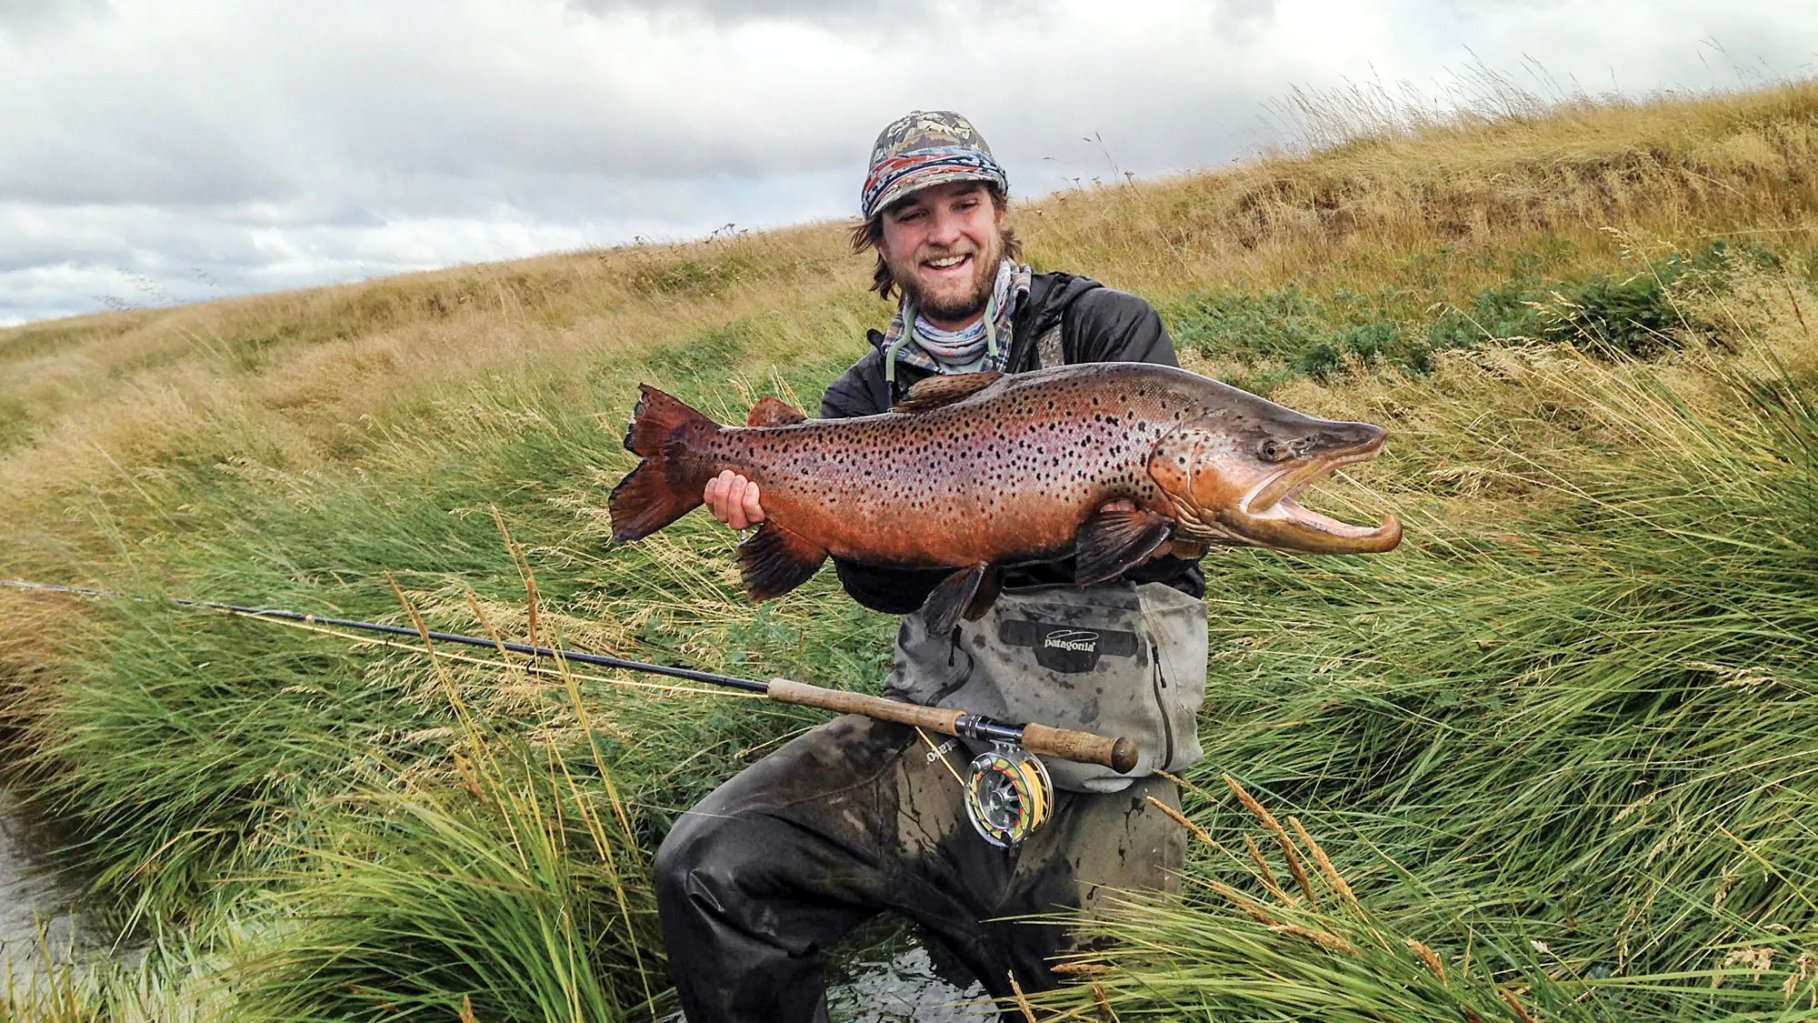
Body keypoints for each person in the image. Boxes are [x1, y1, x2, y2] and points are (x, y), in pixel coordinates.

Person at [653, 110, 1210, 1022]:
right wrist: (791, 510)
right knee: (706, 864)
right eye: (913, 214)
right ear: (880, 239)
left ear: (999, 211)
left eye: (964, 202)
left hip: (1105, 755)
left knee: (1109, 997)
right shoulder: (859, 398)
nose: (943, 232)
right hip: (937, 733)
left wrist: (1006, 513)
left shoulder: (1106, 330)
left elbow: (1163, 543)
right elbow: (878, 592)